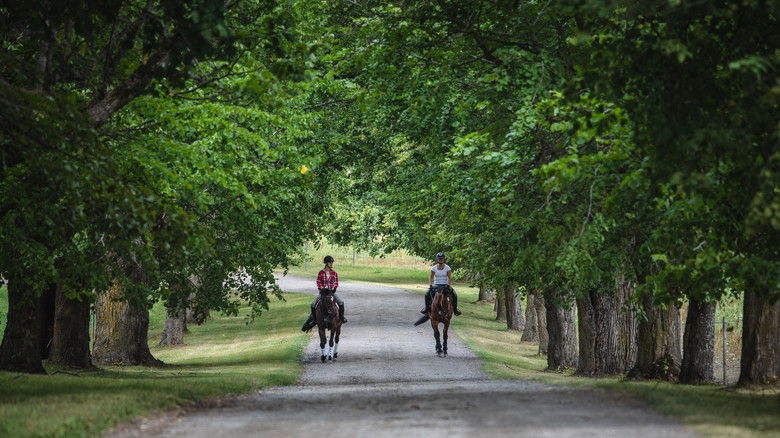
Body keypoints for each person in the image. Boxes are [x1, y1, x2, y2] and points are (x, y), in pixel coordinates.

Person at [301, 255, 346, 332]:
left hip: (331, 293)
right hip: (323, 293)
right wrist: (322, 288)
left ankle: (342, 318)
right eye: (330, 262)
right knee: (313, 304)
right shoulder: (321, 273)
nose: (331, 263)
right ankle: (314, 320)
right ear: (326, 263)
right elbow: (318, 282)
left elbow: (336, 283)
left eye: (332, 262)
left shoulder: (334, 273)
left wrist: (333, 288)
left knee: (341, 303)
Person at [414, 252, 461, 326]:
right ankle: (426, 309)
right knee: (427, 294)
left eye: (442, 258)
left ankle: (455, 309)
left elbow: (449, 278)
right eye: (439, 258)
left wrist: (448, 285)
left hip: (445, 285)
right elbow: (431, 277)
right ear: (437, 259)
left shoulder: (447, 268)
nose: (441, 260)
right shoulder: (434, 268)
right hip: (436, 285)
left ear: (444, 259)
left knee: (454, 294)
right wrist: (430, 285)